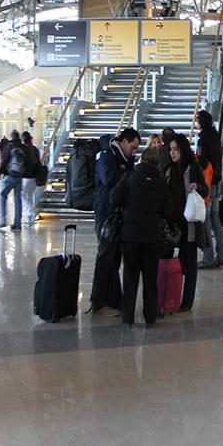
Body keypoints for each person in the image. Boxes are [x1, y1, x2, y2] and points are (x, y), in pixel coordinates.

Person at [110, 146, 172, 327]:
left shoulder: (130, 176)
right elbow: (168, 209)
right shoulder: (161, 182)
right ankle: (150, 317)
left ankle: (128, 317)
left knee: (130, 276)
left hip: (130, 234)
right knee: (150, 278)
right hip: (152, 235)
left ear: (142, 159)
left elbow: (114, 197)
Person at [89, 127, 140, 315]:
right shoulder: (107, 155)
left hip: (118, 214)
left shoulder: (124, 158)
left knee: (114, 258)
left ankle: (113, 299)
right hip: (105, 214)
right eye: (133, 147)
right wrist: (128, 175)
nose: (134, 151)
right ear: (124, 141)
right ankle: (97, 300)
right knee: (105, 257)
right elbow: (110, 179)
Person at [164, 134, 208, 312]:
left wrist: (197, 187)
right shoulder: (168, 169)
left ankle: (187, 301)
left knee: (189, 264)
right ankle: (171, 297)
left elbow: (205, 190)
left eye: (175, 149)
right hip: (171, 226)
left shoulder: (193, 167)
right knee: (172, 263)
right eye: (171, 149)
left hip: (188, 224)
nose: (173, 153)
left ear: (182, 149)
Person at [196, 110, 223, 270]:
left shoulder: (203, 139)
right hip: (217, 181)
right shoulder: (215, 136)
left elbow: (203, 163)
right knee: (216, 219)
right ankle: (222, 255)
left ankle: (208, 258)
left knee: (205, 220)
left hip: (207, 183)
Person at [0, 130, 26, 230]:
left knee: (2, 195)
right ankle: (17, 223)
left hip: (9, 175)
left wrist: (0, 172)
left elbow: (4, 160)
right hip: (19, 176)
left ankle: (3, 220)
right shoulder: (23, 147)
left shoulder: (9, 146)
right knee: (18, 199)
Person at [20, 131, 42, 226]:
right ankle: (29, 218)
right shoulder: (35, 149)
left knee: (22, 195)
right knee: (30, 196)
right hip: (35, 175)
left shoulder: (22, 149)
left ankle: (32, 211)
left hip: (26, 175)